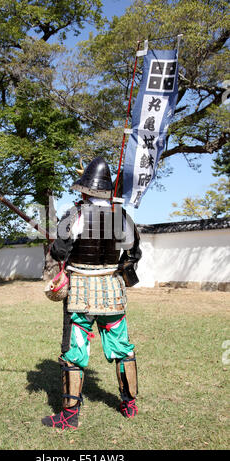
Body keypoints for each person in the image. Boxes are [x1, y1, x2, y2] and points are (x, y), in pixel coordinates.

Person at [41, 156, 142, 430]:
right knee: (122, 349)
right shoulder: (122, 216)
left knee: (75, 352)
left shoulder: (74, 215)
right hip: (112, 291)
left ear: (85, 189)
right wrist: (118, 269)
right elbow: (134, 254)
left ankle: (69, 416)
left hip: (82, 292)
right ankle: (129, 404)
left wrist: (57, 246)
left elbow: (60, 251)